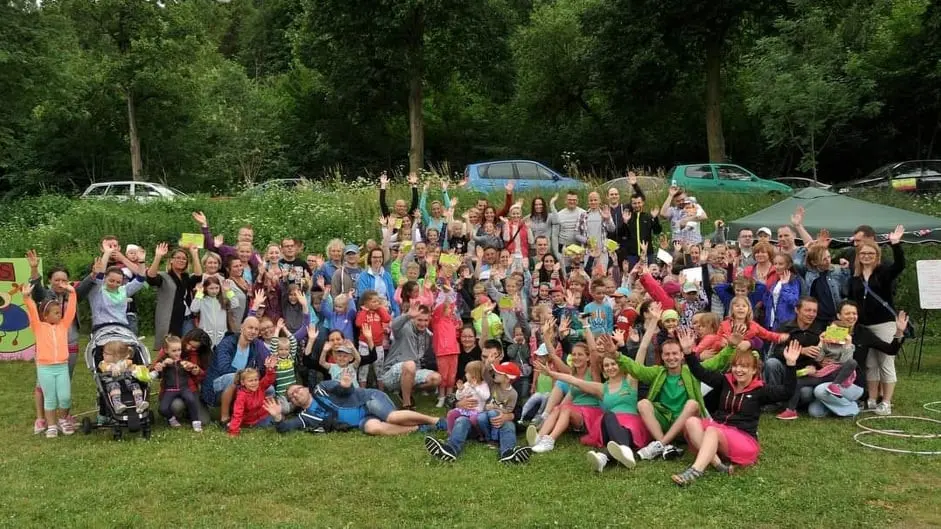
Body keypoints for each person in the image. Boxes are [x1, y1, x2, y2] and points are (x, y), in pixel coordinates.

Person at [670, 340, 801, 486]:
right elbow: (700, 372)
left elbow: (786, 392)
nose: (739, 370)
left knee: (712, 430)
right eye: (736, 366)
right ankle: (719, 465)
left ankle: (695, 471)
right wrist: (688, 353)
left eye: (744, 367)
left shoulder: (760, 390)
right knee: (691, 422)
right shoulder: (725, 382)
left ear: (754, 370)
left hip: (742, 438)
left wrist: (791, 364)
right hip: (719, 431)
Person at [808, 304, 908, 418]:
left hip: (852, 383)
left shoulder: (863, 333)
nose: (851, 316)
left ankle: (852, 406)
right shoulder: (830, 331)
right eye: (847, 313)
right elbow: (815, 357)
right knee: (815, 411)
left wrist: (899, 332)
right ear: (839, 316)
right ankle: (847, 404)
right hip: (828, 379)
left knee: (819, 391)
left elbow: (890, 350)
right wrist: (820, 359)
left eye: (854, 313)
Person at [848, 226, 905, 415]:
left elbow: (899, 266)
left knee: (885, 362)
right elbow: (851, 302)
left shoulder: (883, 273)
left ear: (876, 255)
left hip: (884, 324)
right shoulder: (855, 277)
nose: (866, 256)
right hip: (864, 326)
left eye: (870, 253)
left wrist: (896, 245)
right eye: (863, 253)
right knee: (870, 364)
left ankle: (886, 402)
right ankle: (872, 399)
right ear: (858, 256)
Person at [270, 377, 445, 436]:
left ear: (306, 388)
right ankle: (419, 428)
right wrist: (278, 417)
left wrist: (346, 386)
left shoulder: (321, 388)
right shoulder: (306, 417)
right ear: (293, 403)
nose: (295, 394)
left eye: (297, 390)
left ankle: (437, 421)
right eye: (291, 396)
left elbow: (345, 390)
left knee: (392, 417)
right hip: (363, 419)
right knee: (373, 429)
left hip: (368, 400)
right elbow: (285, 428)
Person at [22, 282, 77, 438]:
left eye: (60, 312)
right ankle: (51, 426)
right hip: (45, 368)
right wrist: (27, 298)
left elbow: (71, 311)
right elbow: (32, 311)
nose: (60, 315)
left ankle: (62, 420)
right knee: (50, 398)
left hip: (62, 367)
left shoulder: (63, 326)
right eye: (56, 313)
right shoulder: (38, 327)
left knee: (65, 397)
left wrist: (72, 293)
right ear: (45, 315)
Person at [202, 317, 266, 425]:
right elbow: (224, 368)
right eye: (250, 328)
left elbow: (260, 368)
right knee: (233, 378)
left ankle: (257, 415)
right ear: (242, 328)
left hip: (241, 382)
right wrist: (247, 377)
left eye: (256, 329)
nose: (253, 331)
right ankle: (224, 418)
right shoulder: (227, 343)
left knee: (268, 388)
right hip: (216, 385)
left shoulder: (254, 346)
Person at [380, 304, 442, 409]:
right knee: (410, 364)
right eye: (419, 320)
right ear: (413, 319)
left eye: (426, 320)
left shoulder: (428, 336)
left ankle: (405, 390)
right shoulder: (405, 328)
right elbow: (394, 325)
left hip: (413, 371)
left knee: (436, 379)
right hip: (392, 373)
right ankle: (407, 404)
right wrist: (408, 316)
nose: (423, 323)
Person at [147, 243, 203, 350]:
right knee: (171, 349)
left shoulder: (185, 277)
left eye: (184, 259)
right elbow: (151, 278)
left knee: (189, 347)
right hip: (170, 320)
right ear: (171, 260)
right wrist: (158, 256)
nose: (181, 260)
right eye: (178, 258)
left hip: (187, 318)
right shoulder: (164, 277)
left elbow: (198, 276)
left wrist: (194, 254)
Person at [151, 335, 204, 432]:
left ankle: (195, 421)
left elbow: (196, 370)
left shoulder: (184, 360)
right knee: (162, 409)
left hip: (184, 388)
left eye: (179, 350)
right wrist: (162, 365)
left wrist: (191, 367)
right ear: (166, 350)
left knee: (191, 400)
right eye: (174, 351)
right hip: (170, 389)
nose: (177, 353)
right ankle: (171, 419)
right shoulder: (163, 361)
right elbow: (156, 374)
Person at [228, 357, 278, 436]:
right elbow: (237, 413)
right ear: (243, 382)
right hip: (250, 421)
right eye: (250, 381)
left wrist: (270, 369)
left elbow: (269, 379)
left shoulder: (260, 387)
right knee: (270, 424)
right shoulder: (241, 396)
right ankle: (232, 425)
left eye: (256, 380)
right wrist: (233, 431)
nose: (254, 383)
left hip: (263, 415)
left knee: (278, 415)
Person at [98, 341, 149, 414]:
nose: (103, 354)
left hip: (126, 383)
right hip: (112, 383)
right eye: (103, 353)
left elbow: (133, 367)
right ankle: (117, 405)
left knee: (136, 385)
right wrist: (112, 368)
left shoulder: (125, 362)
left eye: (106, 353)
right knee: (115, 386)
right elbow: (104, 368)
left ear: (117, 356)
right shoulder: (104, 363)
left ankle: (139, 403)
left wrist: (136, 369)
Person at [190, 276, 237, 346]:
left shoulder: (223, 300)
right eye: (211, 288)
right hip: (205, 334)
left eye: (217, 288)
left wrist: (228, 291)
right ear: (205, 288)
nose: (214, 291)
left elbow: (235, 304)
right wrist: (199, 293)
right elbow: (193, 308)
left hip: (221, 334)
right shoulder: (202, 300)